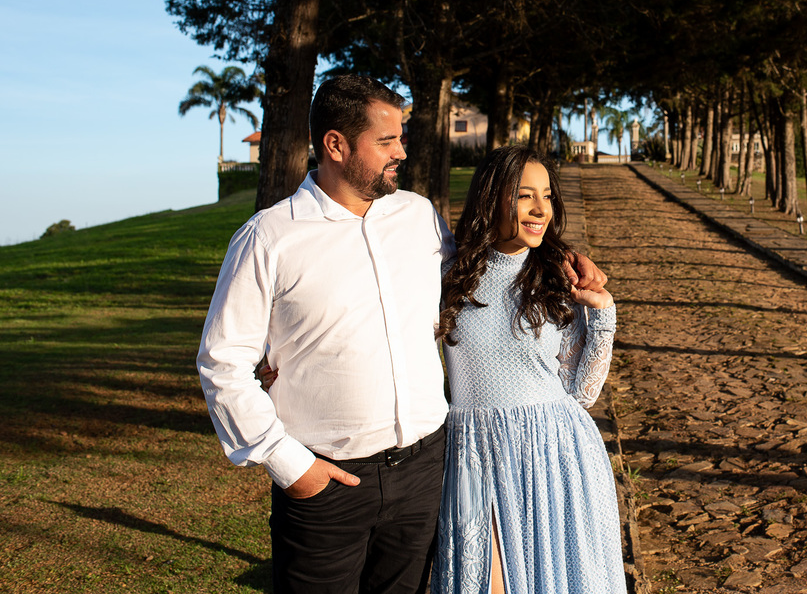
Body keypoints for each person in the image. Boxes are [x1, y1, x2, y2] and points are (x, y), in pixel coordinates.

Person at [196, 76, 606, 594]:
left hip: (424, 475)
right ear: (336, 144)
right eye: (387, 141)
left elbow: (483, 280)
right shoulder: (270, 237)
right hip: (327, 484)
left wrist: (562, 263)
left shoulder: (418, 217)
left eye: (402, 138)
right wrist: (290, 465)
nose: (402, 152)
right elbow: (222, 364)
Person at [430, 146, 625, 594]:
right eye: (524, 196)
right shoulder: (448, 274)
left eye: (547, 196)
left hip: (554, 451)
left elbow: (581, 394)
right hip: (473, 453)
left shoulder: (558, 277)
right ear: (491, 198)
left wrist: (604, 315)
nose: (540, 209)